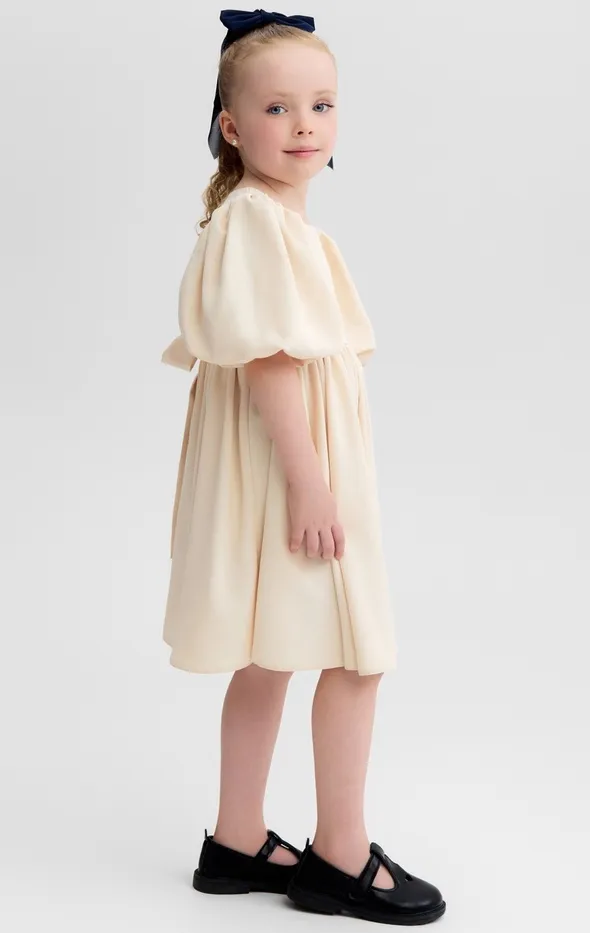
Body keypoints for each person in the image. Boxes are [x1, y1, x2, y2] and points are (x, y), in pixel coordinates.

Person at [160, 8, 446, 925]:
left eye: (321, 104)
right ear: (232, 126)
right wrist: (311, 482)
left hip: (280, 460)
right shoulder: (258, 223)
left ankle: (236, 840)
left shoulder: (267, 220)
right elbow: (272, 362)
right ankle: (341, 854)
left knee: (271, 652)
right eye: (277, 108)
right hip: (293, 463)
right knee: (358, 653)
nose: (304, 125)